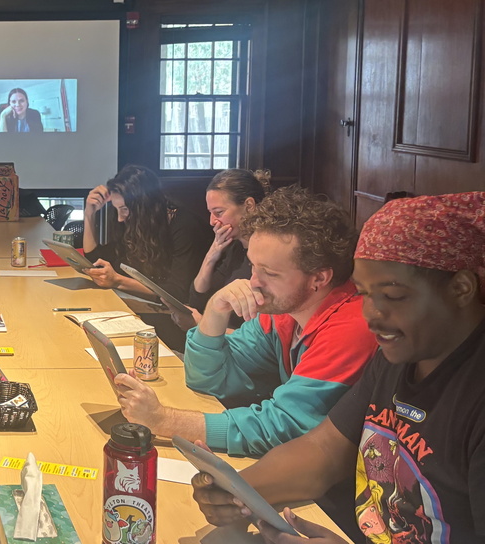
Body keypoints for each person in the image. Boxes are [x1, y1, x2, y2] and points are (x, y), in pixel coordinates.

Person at [191, 191, 485, 543]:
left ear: (462, 288)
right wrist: (237, 490)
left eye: (392, 297)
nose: (371, 315)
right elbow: (325, 449)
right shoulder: (399, 357)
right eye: (363, 293)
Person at [115, 186, 378, 456]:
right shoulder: (284, 312)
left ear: (319, 279)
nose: (254, 282)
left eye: (270, 273)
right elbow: (206, 380)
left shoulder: (352, 327)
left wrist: (164, 421)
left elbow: (281, 429)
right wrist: (216, 310)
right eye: (253, 266)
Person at [83, 164, 211, 351]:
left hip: (179, 323)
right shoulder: (136, 223)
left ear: (142, 205)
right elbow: (95, 257)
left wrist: (118, 281)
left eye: (124, 209)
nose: (120, 218)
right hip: (149, 311)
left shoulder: (184, 226)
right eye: (117, 209)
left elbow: (176, 292)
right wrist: (89, 213)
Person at [174, 169, 272, 331]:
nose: (212, 221)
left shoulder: (268, 255)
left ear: (249, 206)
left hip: (240, 349)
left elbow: (261, 338)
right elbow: (197, 300)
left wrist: (200, 324)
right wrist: (212, 254)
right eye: (210, 213)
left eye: (219, 212)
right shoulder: (234, 246)